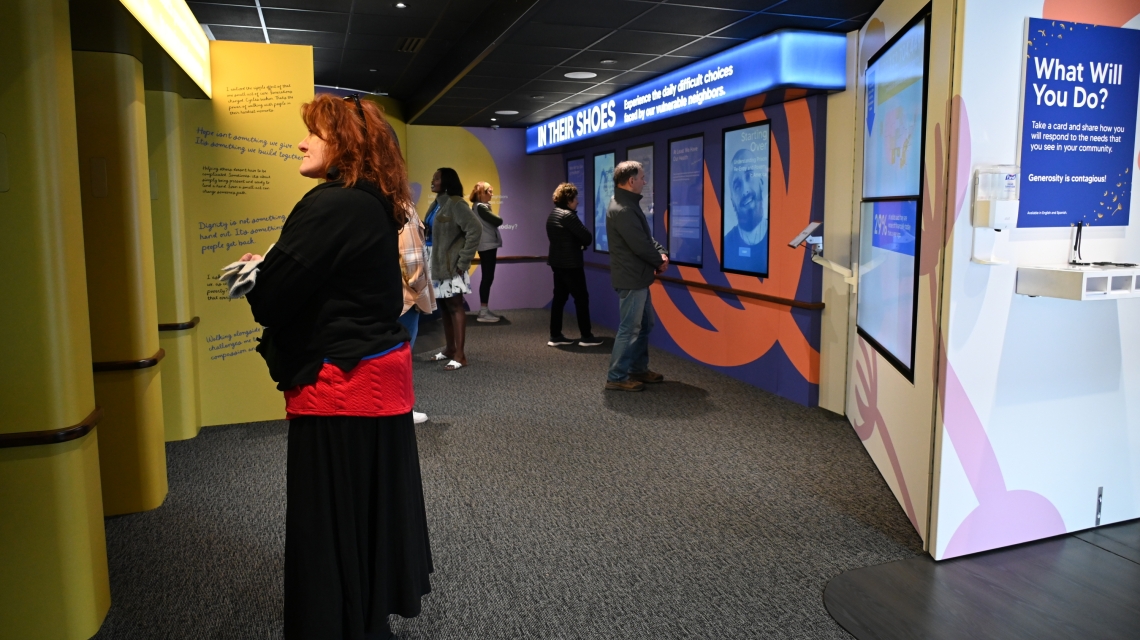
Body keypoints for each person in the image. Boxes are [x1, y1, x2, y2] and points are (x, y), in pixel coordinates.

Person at [242, 94, 431, 639]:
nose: (301, 142)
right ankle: (361, 618)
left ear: (344, 143)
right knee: (364, 514)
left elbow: (275, 299)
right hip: (375, 380)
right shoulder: (372, 201)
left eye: (314, 134)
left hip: (339, 387)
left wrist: (262, 276)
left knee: (329, 519)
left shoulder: (330, 204)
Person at [605, 160, 668, 392]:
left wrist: (661, 254)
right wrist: (658, 261)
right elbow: (640, 245)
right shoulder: (623, 209)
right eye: (642, 177)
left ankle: (638, 368)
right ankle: (617, 376)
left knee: (643, 325)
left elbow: (644, 238)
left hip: (638, 277)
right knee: (630, 328)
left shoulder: (625, 204)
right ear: (631, 181)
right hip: (632, 278)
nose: (645, 181)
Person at [426, 167, 480, 370]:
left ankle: (460, 355)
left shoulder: (456, 204)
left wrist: (464, 261)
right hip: (435, 264)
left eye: (437, 178)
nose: (433, 181)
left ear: (447, 181)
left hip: (452, 266)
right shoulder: (436, 204)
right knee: (445, 307)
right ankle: (449, 349)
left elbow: (475, 229)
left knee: (456, 306)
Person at [546, 182, 601, 347]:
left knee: (559, 299)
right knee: (581, 299)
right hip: (571, 265)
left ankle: (555, 335)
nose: (577, 201)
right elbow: (587, 237)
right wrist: (580, 243)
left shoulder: (553, 214)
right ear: (569, 199)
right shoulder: (568, 216)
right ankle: (586, 336)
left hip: (557, 263)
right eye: (575, 198)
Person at [398, 207, 435, 424]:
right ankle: (402, 409)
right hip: (403, 297)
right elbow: (411, 259)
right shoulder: (402, 207)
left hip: (379, 295)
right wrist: (420, 293)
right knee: (401, 356)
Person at [723, 147, 769, 274]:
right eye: (737, 185)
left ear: (761, 181)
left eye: (749, 175)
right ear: (732, 201)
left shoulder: (779, 235)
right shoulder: (725, 245)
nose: (745, 190)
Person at [470, 181, 503, 323]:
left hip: (487, 245)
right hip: (487, 245)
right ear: (482, 193)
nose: (492, 194)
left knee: (487, 277)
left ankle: (484, 309)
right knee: (487, 277)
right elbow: (498, 221)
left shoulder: (481, 207)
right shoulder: (482, 207)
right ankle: (483, 312)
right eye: (489, 191)